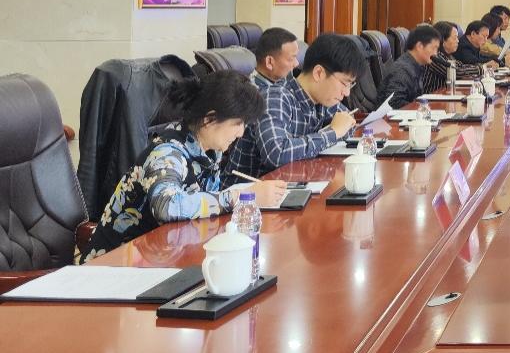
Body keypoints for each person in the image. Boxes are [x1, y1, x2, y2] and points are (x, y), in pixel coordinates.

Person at [80, 71, 287, 261]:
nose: (241, 133)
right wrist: (238, 198)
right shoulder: (167, 153)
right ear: (209, 119)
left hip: (162, 257)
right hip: (115, 264)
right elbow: (166, 206)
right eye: (237, 123)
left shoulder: (209, 151)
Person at [226, 32, 363, 178]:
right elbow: (276, 154)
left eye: (350, 85)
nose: (347, 93)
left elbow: (347, 124)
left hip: (293, 183)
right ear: (319, 73)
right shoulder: (276, 97)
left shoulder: (323, 99)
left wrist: (339, 129)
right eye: (344, 83)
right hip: (248, 189)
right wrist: (332, 133)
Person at [379, 23, 442, 108]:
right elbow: (394, 102)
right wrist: (422, 107)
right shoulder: (403, 69)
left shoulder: (416, 65)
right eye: (433, 48)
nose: (435, 53)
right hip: (391, 116)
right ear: (419, 46)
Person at [429, 20, 486, 88]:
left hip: (447, 92)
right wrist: (481, 69)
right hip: (433, 94)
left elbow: (461, 66)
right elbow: (456, 72)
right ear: (443, 40)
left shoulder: (449, 56)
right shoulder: (434, 57)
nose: (458, 41)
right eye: (454, 38)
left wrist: (480, 67)